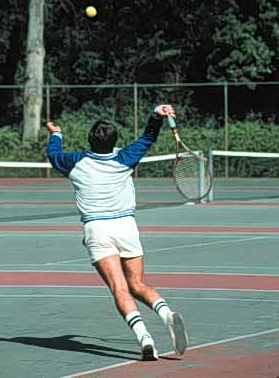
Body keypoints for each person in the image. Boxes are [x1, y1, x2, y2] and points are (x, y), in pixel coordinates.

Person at [46, 105, 188, 361]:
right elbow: (148, 137)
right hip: (126, 227)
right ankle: (166, 314)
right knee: (137, 284)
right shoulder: (125, 158)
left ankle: (144, 337)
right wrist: (156, 113)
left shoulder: (74, 162)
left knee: (119, 289)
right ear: (114, 141)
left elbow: (53, 154)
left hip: (97, 230)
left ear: (90, 139)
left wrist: (56, 133)